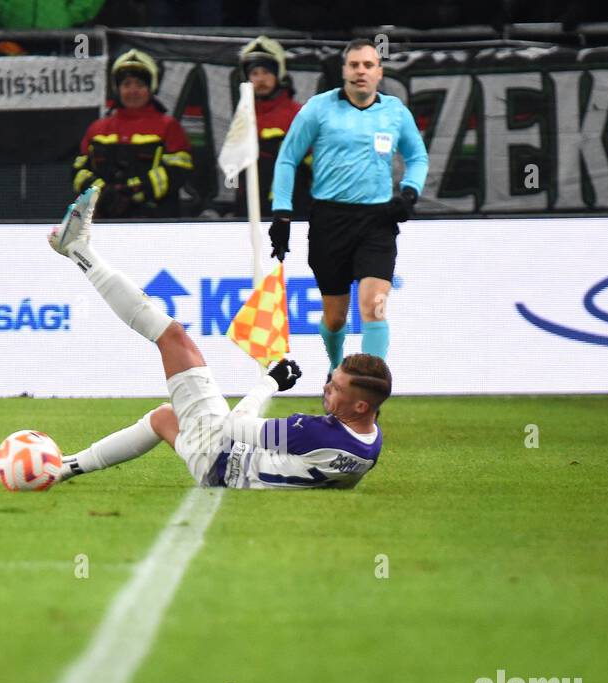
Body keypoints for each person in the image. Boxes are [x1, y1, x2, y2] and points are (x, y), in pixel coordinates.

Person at [47, 185, 389, 490]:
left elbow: (233, 427)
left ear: (361, 405)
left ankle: (77, 248)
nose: (327, 386)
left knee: (172, 336)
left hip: (219, 453)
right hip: (224, 469)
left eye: (337, 387)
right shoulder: (370, 445)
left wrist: (271, 382)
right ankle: (63, 468)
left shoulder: (316, 433)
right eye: (333, 379)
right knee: (164, 418)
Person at [269, 38, 428, 373]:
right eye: (354, 65)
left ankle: (372, 387)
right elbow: (287, 159)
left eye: (368, 65)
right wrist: (282, 214)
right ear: (343, 71)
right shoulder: (318, 108)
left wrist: (409, 193)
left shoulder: (395, 111)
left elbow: (418, 157)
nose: (361, 71)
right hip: (330, 219)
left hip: (378, 220)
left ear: (379, 72)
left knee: (374, 306)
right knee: (336, 316)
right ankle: (336, 369)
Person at [71, 48, 194, 219]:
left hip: (156, 221)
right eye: (126, 84)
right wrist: (102, 193)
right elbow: (78, 171)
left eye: (140, 84)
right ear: (117, 89)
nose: (133, 91)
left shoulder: (168, 126)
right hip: (104, 220)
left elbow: (179, 171)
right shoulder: (97, 129)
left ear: (150, 88)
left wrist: (135, 192)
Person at [234, 35, 310, 218]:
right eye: (255, 73)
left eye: (266, 72)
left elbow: (317, 163)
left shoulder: (299, 114)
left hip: (293, 209)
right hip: (250, 211)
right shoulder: (243, 117)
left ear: (278, 74)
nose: (260, 79)